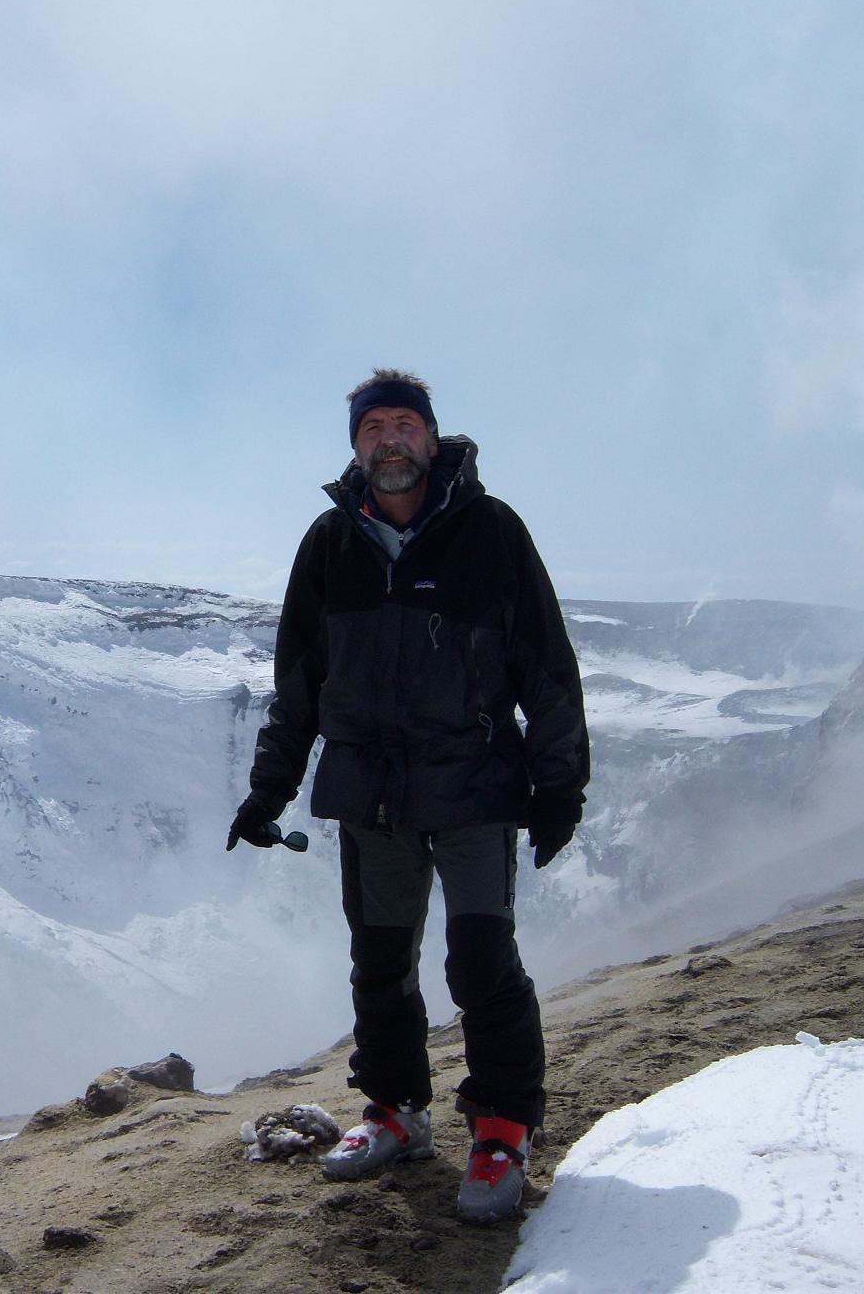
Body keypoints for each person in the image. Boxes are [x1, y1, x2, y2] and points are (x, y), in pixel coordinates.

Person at [227, 368, 589, 1224]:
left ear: (431, 437)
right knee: (381, 966)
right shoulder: (328, 545)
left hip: (472, 790)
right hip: (371, 796)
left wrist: (560, 782)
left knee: (481, 964)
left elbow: (546, 665)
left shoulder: (492, 533)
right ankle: (396, 1111)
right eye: (372, 429)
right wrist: (267, 789)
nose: (389, 441)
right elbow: (300, 686)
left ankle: (501, 1129)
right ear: (355, 446)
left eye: (403, 425)